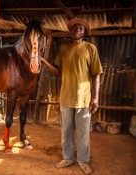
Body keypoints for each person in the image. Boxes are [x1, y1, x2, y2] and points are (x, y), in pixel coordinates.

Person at [41, 17, 103, 175]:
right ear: (71, 30)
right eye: (75, 27)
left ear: (84, 32)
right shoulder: (63, 48)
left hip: (84, 98)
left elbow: (96, 74)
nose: (78, 29)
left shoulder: (90, 48)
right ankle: (68, 158)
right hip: (66, 97)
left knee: (83, 133)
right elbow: (59, 72)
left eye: (81, 28)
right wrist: (44, 62)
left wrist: (96, 98)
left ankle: (83, 161)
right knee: (66, 131)